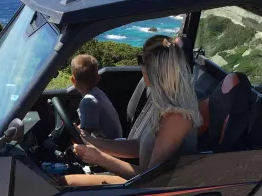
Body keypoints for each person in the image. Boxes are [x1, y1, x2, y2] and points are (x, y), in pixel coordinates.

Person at [64, 35, 201, 186]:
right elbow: (138, 146)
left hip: (149, 190)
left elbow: (152, 179)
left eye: (141, 60)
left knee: (67, 183)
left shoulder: (176, 117)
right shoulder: (162, 101)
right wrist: (94, 142)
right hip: (139, 180)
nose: (140, 66)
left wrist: (98, 157)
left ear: (154, 70)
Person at [70, 54, 122, 140]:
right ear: (98, 78)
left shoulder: (88, 102)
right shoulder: (99, 94)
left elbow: (86, 135)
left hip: (108, 147)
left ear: (73, 80)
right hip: (115, 141)